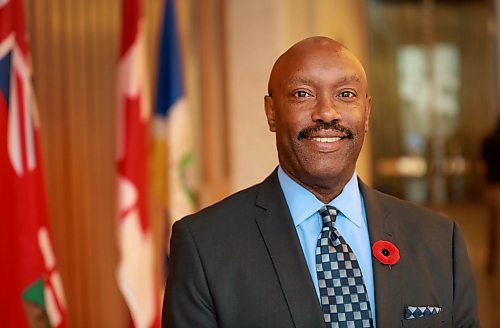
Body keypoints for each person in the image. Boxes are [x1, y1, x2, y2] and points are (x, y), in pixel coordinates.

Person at [162, 36, 479, 327]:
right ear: (272, 113)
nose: (327, 113)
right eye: (302, 94)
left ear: (366, 113)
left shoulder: (440, 241)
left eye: (345, 94)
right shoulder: (204, 246)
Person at [482, 117, 500, 274]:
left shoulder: (488, 140)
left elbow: (483, 163)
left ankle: (493, 259)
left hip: (492, 186)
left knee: (493, 226)